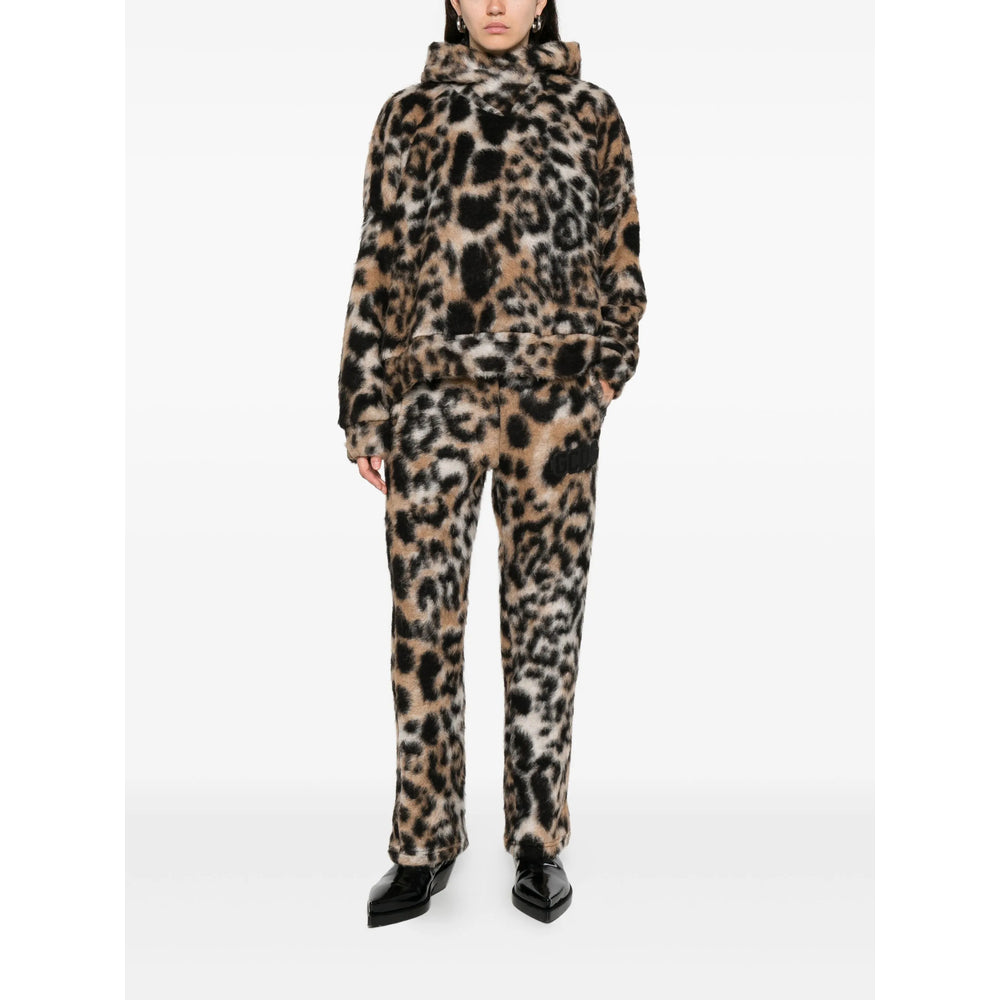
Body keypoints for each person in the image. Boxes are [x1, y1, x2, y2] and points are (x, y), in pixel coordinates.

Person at [337, 0, 647, 927]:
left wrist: (605, 369)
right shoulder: (408, 116)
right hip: (431, 401)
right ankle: (424, 840)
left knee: (547, 620)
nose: (498, 4)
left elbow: (621, 253)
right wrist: (366, 404)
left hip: (554, 408)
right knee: (422, 623)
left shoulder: (592, 114)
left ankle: (538, 839)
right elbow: (377, 263)